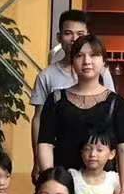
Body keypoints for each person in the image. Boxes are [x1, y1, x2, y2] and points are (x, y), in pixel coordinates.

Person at [35, 34, 124, 194]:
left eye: (94, 55)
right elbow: (45, 144)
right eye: (80, 55)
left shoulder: (117, 103)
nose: (87, 61)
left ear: (104, 62)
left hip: (101, 190)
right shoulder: (55, 99)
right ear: (72, 61)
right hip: (64, 187)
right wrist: (52, 184)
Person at [30, 10, 115, 159]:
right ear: (59, 37)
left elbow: (112, 112)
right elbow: (39, 119)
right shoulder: (46, 76)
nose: (74, 39)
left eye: (80, 34)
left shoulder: (101, 72)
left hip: (96, 155)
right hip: (61, 153)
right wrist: (37, 158)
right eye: (68, 33)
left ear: (88, 36)